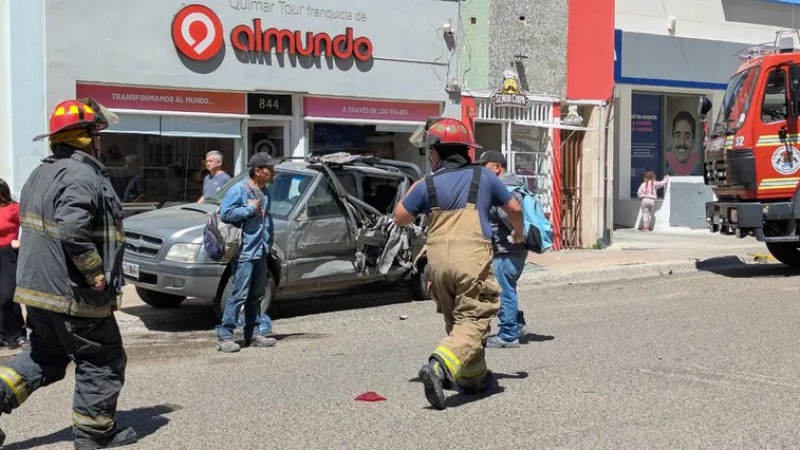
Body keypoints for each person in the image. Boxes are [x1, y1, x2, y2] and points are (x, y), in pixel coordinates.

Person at [0, 98, 136, 448]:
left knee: (45, 356)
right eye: (97, 134)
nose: (101, 142)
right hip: (73, 293)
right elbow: (73, 230)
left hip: (39, 291)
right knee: (102, 360)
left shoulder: (41, 173)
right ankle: (94, 435)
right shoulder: (81, 174)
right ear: (87, 138)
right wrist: (94, 273)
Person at [393, 118, 524, 410]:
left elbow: (399, 217)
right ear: (466, 150)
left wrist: (420, 187)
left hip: (438, 262)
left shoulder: (427, 184)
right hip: (471, 257)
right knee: (475, 319)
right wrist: (518, 231)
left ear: (438, 153)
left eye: (430, 153)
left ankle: (474, 379)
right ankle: (438, 365)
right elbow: (514, 207)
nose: (429, 157)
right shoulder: (484, 177)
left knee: (458, 323)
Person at [215, 151, 280, 353]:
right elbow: (225, 213)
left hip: (260, 251)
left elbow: (265, 221)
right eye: (269, 168)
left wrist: (268, 244)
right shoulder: (239, 190)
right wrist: (248, 209)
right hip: (244, 252)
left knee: (257, 295)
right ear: (257, 171)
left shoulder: (265, 191)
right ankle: (225, 335)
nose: (272, 171)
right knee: (238, 295)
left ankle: (252, 334)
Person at [475, 150, 528, 349]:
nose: (481, 170)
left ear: (497, 168)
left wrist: (517, 232)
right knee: (505, 290)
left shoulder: (504, 189)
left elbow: (512, 215)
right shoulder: (513, 184)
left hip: (507, 249)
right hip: (511, 249)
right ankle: (516, 323)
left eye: (484, 166)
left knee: (503, 292)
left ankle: (508, 335)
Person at [0, 179, 27, 350]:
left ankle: (17, 334)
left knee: (8, 296)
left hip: (7, 253)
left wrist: (21, 242)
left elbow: (32, 227)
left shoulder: (13, 208)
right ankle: (3, 335)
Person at [665, 111, 702, 176]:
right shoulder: (663, 175)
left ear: (693, 142)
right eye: (678, 135)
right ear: (673, 139)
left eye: (687, 136)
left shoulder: (701, 174)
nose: (682, 142)